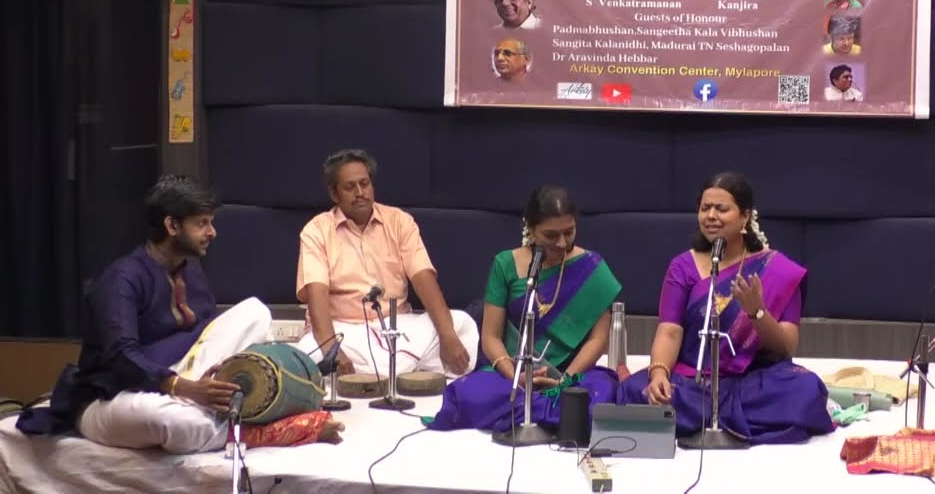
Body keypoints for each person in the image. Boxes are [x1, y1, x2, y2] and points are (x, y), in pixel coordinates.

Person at [16, 175, 343, 452]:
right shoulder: (122, 279)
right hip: (117, 395)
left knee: (255, 312)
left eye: (211, 222)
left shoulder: (191, 271)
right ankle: (252, 431)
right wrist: (183, 388)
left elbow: (207, 337)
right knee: (172, 420)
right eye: (202, 223)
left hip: (183, 382)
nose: (212, 232)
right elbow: (120, 356)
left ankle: (215, 416)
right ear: (171, 225)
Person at [621, 172, 833, 444]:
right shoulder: (683, 266)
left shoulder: (776, 270)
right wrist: (659, 373)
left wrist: (757, 312)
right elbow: (669, 331)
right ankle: (728, 416)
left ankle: (706, 417)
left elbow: (786, 347)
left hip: (753, 380)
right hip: (692, 381)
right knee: (634, 391)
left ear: (745, 217)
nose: (711, 216)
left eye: (721, 209)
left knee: (806, 389)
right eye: (705, 208)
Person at [429, 186, 623, 433]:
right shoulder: (505, 264)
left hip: (571, 376)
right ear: (529, 228)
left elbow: (598, 340)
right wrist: (516, 377)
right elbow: (491, 336)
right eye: (551, 235)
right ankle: (548, 411)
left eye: (569, 232)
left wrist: (564, 381)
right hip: (512, 373)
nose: (562, 243)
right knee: (469, 393)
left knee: (604, 392)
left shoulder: (593, 269)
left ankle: (541, 407)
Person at [295, 149, 478, 378]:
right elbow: (317, 298)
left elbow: (424, 280)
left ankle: (375, 372)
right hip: (344, 331)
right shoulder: (317, 230)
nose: (360, 193)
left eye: (365, 183)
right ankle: (403, 369)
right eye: (350, 187)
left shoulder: (399, 221)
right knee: (307, 353)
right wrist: (333, 349)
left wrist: (447, 335)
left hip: (396, 328)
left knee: (461, 324)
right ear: (334, 194)